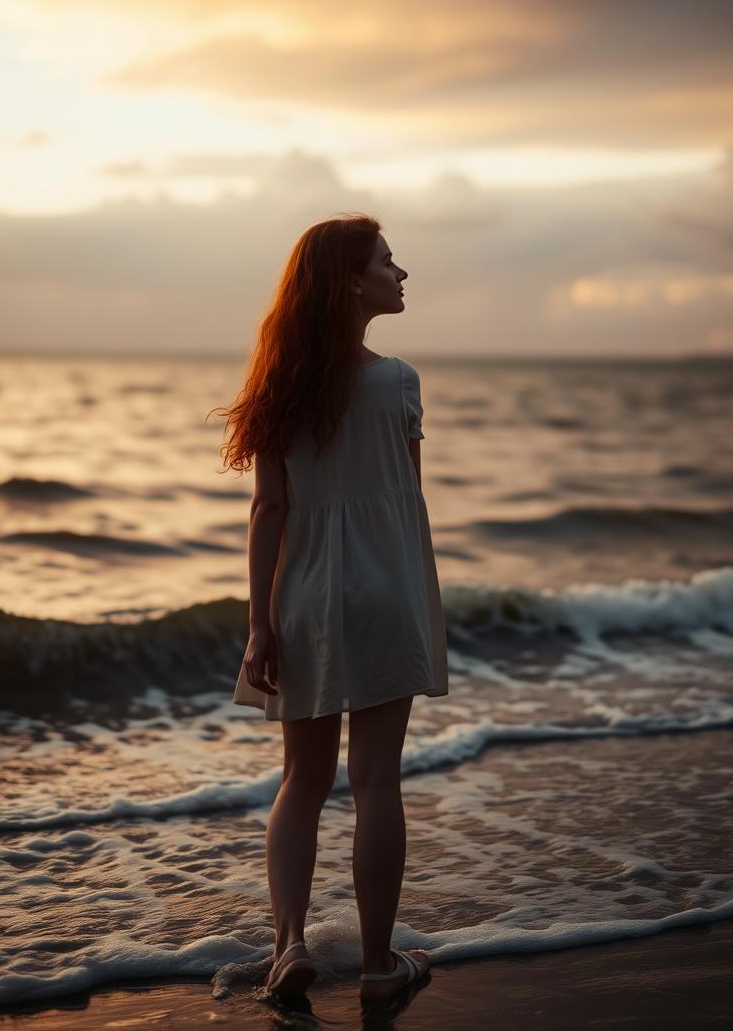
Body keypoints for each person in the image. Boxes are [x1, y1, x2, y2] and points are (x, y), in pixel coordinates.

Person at [210, 213, 448, 1003]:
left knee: (301, 781)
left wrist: (259, 625)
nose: (401, 273)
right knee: (377, 779)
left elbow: (268, 513)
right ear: (352, 282)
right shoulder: (400, 381)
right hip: (385, 590)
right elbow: (405, 502)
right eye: (388, 261)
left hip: (303, 594)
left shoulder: (275, 388)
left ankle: (288, 947)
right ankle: (380, 966)